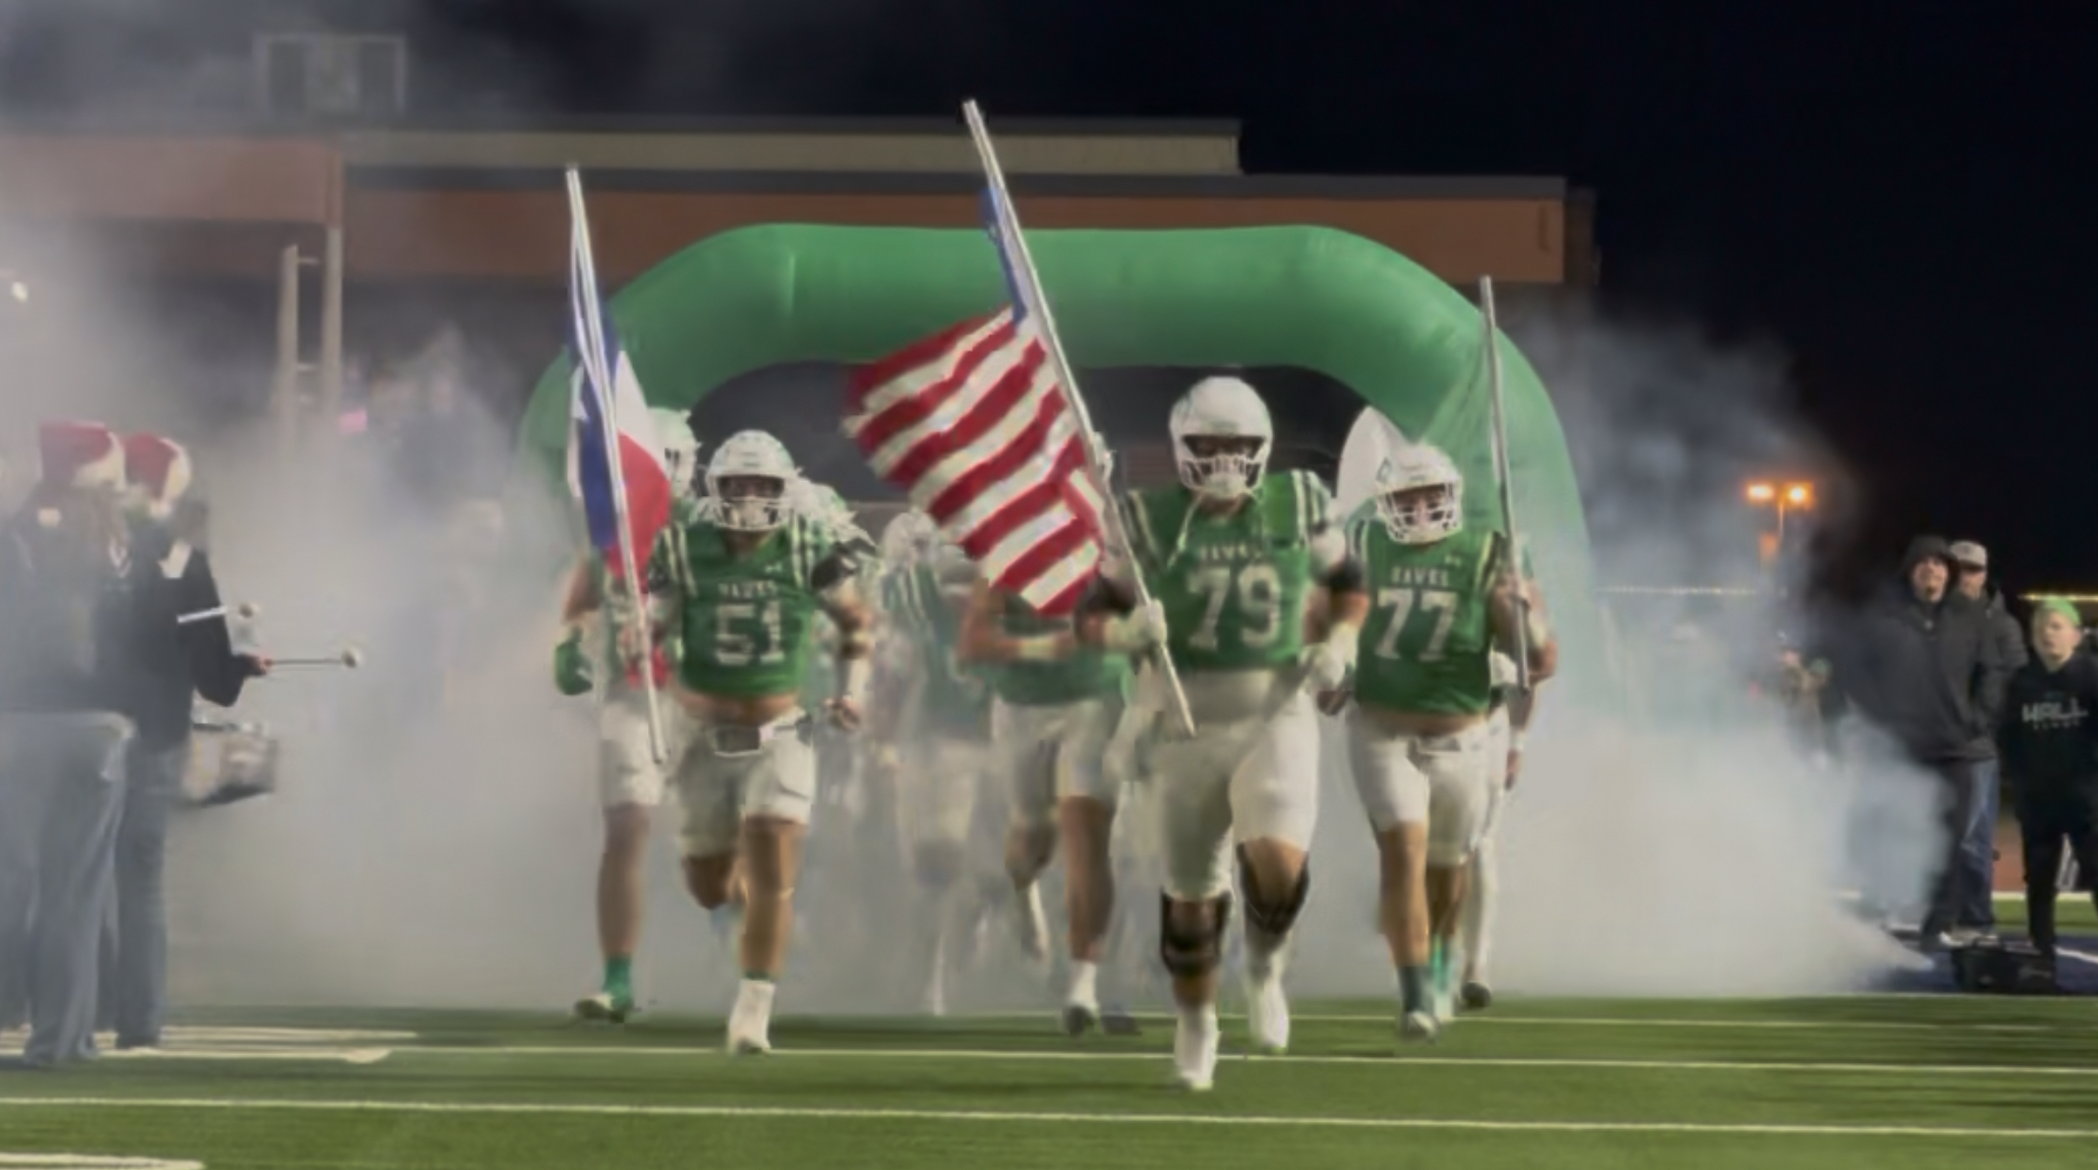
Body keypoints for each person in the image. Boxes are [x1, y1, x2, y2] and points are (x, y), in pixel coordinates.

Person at [1077, 375, 1368, 1090]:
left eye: (1238, 446)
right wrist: (1126, 632)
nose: (1224, 461)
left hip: (1275, 705)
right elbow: (1089, 619)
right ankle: (1196, 1022)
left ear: (1263, 447)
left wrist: (1344, 643)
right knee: (1191, 898)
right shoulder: (1143, 518)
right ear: (1181, 446)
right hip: (1180, 712)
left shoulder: (1300, 501)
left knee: (1277, 866)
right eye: (1208, 445)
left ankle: (1266, 966)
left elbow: (1349, 582)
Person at [644, 430, 872, 1053]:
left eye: (761, 486)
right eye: (736, 485)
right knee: (709, 884)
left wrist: (853, 691)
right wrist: (641, 640)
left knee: (774, 868)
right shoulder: (683, 548)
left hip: (780, 732)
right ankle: (736, 915)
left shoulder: (806, 543)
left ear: (783, 491)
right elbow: (655, 629)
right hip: (701, 734)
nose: (747, 498)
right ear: (714, 490)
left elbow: (855, 620)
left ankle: (753, 1008)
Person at [1335, 442, 1556, 1040]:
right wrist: (1334, 667)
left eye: (1434, 494)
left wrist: (1524, 619)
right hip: (1382, 727)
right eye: (1410, 495)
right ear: (1387, 502)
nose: (1424, 506)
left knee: (1449, 867)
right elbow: (1335, 622)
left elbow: (1542, 662)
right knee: (1401, 856)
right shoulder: (1363, 543)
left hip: (1464, 732)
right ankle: (1414, 993)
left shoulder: (1491, 554)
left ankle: (1446, 959)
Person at [95, 433, 269, 1051]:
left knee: (76, 875)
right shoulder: (182, 557)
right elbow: (213, 674)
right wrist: (243, 667)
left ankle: (81, 1004)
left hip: (88, 728)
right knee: (139, 879)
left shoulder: (94, 550)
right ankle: (139, 1020)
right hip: (155, 734)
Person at [0, 422, 147, 1067]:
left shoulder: (14, 534)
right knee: (76, 892)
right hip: (97, 726)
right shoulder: (116, 545)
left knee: (11, 881)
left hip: (16, 724)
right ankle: (60, 1040)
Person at [959, 512, 1133, 1034]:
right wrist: (1041, 646)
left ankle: (1083, 978)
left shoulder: (1115, 558)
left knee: (1086, 834)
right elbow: (972, 645)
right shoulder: (1008, 558)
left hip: (1093, 702)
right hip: (1024, 706)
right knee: (1032, 839)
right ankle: (1021, 888)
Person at [556, 409, 701, 1023]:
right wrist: (573, 645)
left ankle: (745, 956)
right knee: (628, 827)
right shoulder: (610, 536)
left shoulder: (714, 531)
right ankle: (617, 975)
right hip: (631, 693)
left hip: (703, 695)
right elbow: (585, 598)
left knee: (716, 847)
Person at [1834, 536, 2007, 949]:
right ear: (1910, 571)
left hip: (1955, 749)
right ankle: (1880, 907)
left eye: (1939, 563)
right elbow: (1852, 671)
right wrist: (1883, 721)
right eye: (1923, 563)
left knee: (1952, 840)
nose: (1932, 569)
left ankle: (1939, 922)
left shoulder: (1970, 617)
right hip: (1902, 750)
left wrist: (1977, 720)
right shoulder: (1884, 618)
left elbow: (1993, 672)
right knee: (1886, 829)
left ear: (1949, 572)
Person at [868, 531, 1002, 1015]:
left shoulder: (1011, 616)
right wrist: (883, 744)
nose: (964, 596)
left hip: (1000, 746)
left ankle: (984, 913)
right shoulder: (920, 620)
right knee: (936, 867)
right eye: (955, 584)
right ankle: (930, 976)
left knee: (1005, 865)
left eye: (972, 582)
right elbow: (891, 686)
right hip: (940, 748)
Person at [1996, 599, 2098, 959]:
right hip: (2039, 800)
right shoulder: (2022, 684)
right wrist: (2021, 783)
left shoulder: (2091, 678)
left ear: (2075, 634)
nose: (2047, 634)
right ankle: (2041, 948)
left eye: (2056, 626)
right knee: (2039, 880)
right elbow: (2008, 737)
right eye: (2040, 627)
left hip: (2086, 799)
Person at [1948, 540, 2026, 940]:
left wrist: (1974, 725)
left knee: (1971, 840)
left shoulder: (2001, 626)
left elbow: (2010, 685)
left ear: (1984, 573)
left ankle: (1976, 918)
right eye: (1958, 568)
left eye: (1973, 569)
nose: (1965, 576)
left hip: (1976, 749)